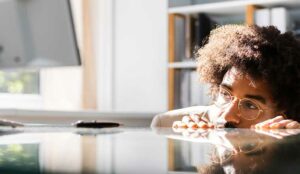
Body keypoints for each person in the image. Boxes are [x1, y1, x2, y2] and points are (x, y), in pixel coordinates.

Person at [151, 24, 300, 129]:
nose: (228, 116)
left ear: (283, 115)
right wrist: (181, 132)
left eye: (250, 105)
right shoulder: (208, 117)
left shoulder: (292, 128)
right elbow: (160, 122)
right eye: (226, 94)